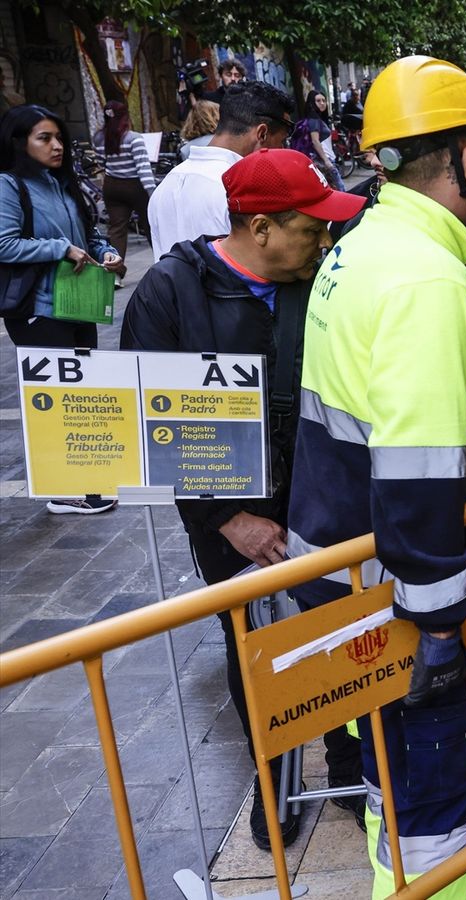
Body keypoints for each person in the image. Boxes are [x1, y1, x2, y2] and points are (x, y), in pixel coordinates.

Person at [285, 55, 466, 899]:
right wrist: (442, 637)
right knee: (439, 820)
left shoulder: (372, 242)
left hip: (354, 578)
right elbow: (416, 479)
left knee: (390, 794)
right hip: (414, 608)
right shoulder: (425, 280)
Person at [120, 148, 367, 850]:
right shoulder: (169, 294)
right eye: (309, 227)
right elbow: (149, 427)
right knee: (257, 651)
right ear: (259, 229)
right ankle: (275, 777)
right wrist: (228, 521)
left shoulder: (320, 283)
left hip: (322, 503)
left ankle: (350, 760)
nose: (323, 241)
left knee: (339, 638)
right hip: (230, 523)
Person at [0, 104, 124, 503]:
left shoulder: (63, 182)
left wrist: (105, 253)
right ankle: (64, 491)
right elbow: (4, 243)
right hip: (37, 309)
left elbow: (89, 237)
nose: (57, 147)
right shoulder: (8, 185)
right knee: (56, 400)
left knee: (81, 396)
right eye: (45, 138)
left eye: (59, 138)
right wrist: (60, 248)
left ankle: (86, 482)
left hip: (77, 304)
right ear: (20, 143)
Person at [149, 81, 294, 258]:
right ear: (262, 134)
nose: (282, 150)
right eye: (282, 142)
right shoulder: (240, 190)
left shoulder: (165, 186)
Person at [96, 101, 156, 273]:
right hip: (135, 186)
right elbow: (143, 168)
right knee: (150, 225)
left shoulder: (99, 138)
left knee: (117, 229)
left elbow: (102, 162)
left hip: (112, 186)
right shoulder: (134, 138)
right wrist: (152, 193)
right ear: (125, 116)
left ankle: (115, 272)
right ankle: (163, 261)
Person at [291, 91, 343, 190]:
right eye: (318, 101)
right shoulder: (314, 120)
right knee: (340, 189)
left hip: (324, 159)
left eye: (324, 100)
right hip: (324, 160)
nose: (322, 103)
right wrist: (327, 161)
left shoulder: (317, 119)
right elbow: (315, 141)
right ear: (311, 103)